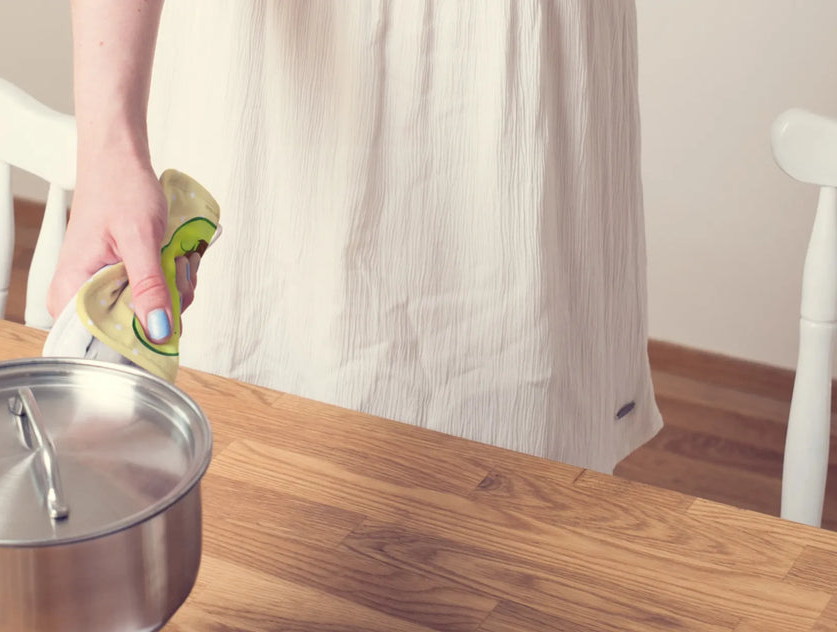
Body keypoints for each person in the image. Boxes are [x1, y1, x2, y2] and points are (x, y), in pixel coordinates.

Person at [48, 0, 662, 473]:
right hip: (273, 79)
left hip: (516, 69)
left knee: (521, 482)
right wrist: (108, 155)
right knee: (237, 466)